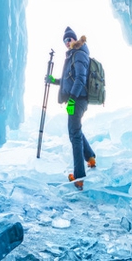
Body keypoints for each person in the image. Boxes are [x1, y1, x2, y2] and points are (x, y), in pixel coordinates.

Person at [45, 26, 96, 188]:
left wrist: (73, 100)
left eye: (69, 39)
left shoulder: (79, 53)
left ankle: (79, 177)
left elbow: (80, 78)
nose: (67, 42)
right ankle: (90, 157)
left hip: (79, 99)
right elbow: (69, 80)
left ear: (75, 39)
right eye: (65, 40)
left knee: (74, 134)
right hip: (78, 98)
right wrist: (54, 81)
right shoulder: (74, 54)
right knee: (76, 131)